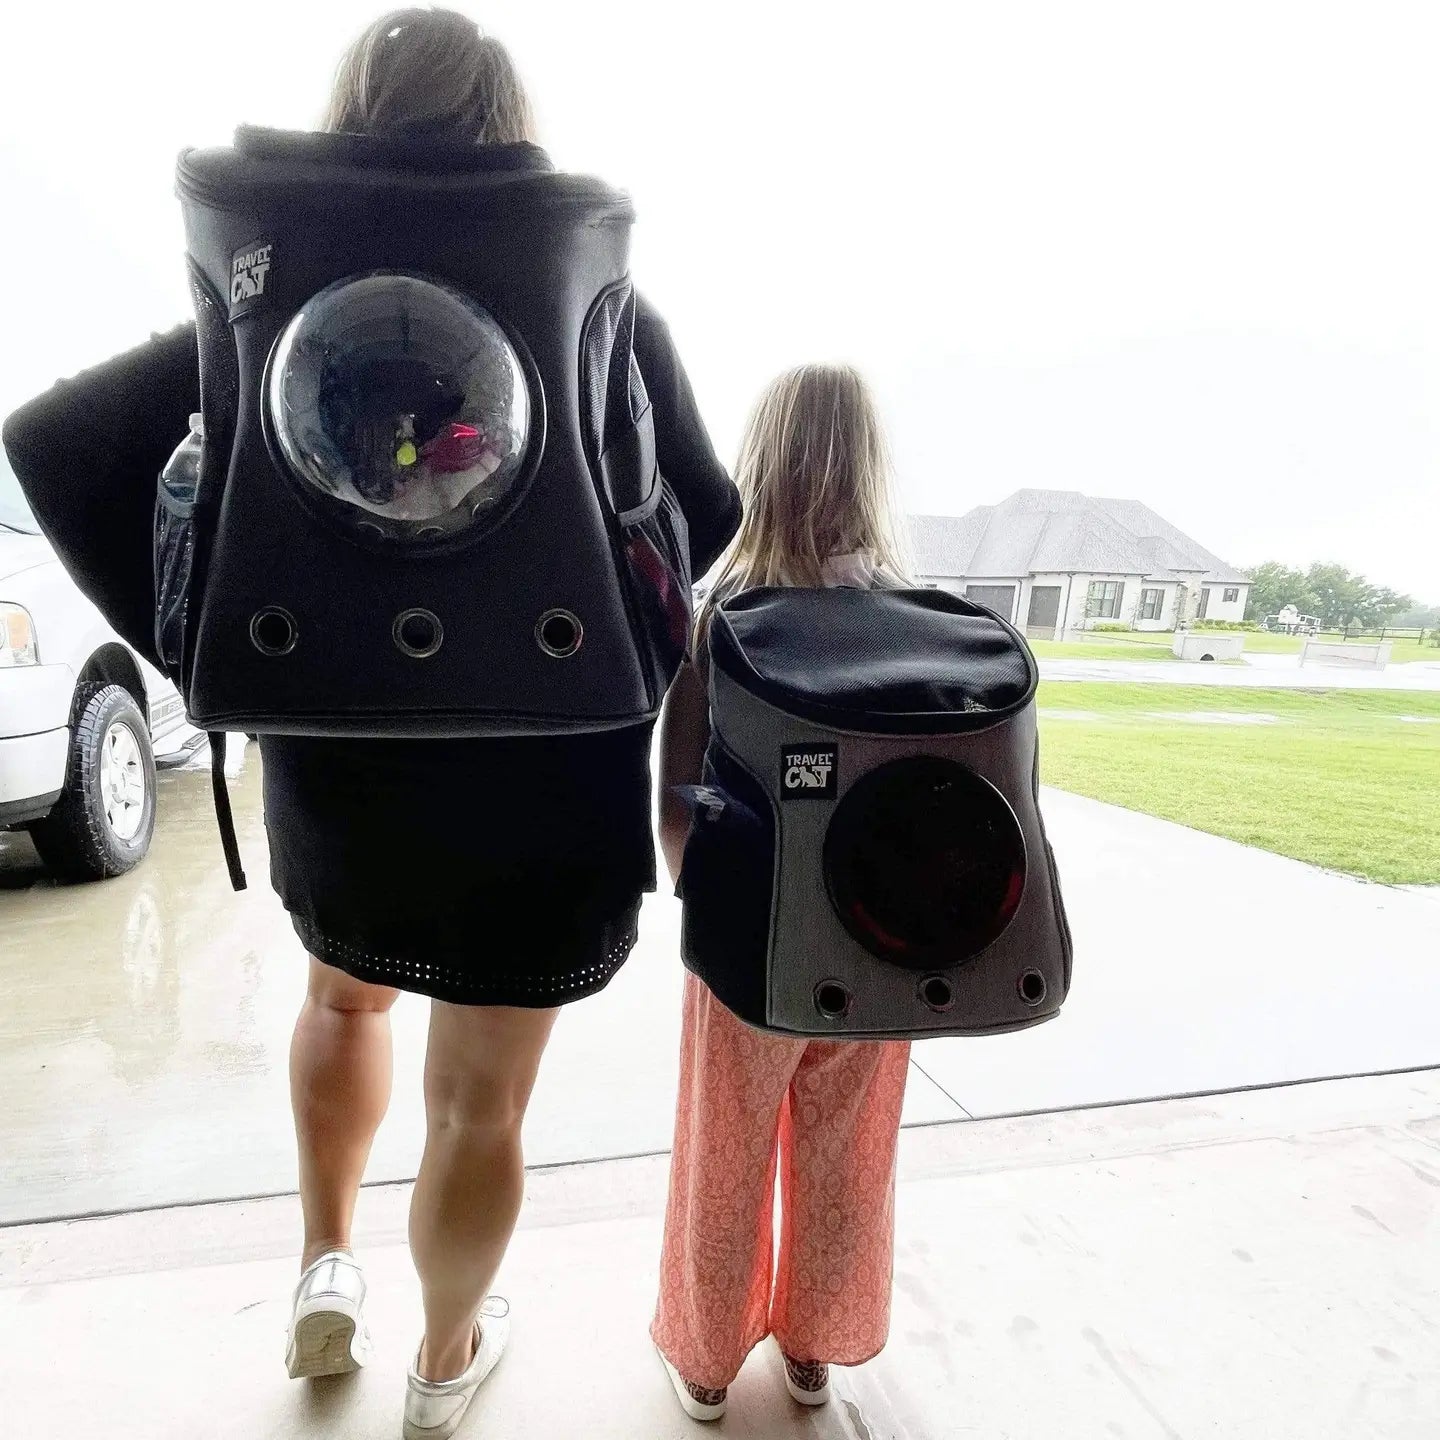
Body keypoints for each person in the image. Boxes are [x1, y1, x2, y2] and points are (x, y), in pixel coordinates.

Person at [3, 11, 739, 1438]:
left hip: (343, 741)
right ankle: (443, 1358)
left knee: (345, 998)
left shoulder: (269, 281)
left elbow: (55, 443)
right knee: (481, 1104)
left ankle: (321, 1264)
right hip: (552, 754)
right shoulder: (587, 280)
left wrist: (188, 633)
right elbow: (701, 509)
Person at [650, 364, 912, 1419]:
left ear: (759, 462)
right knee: (848, 1154)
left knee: (725, 1152)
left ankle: (709, 1364)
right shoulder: (910, 615)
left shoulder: (727, 613)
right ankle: (813, 1348)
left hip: (749, 940)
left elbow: (678, 786)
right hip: (877, 939)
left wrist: (695, 899)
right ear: (869, 466)